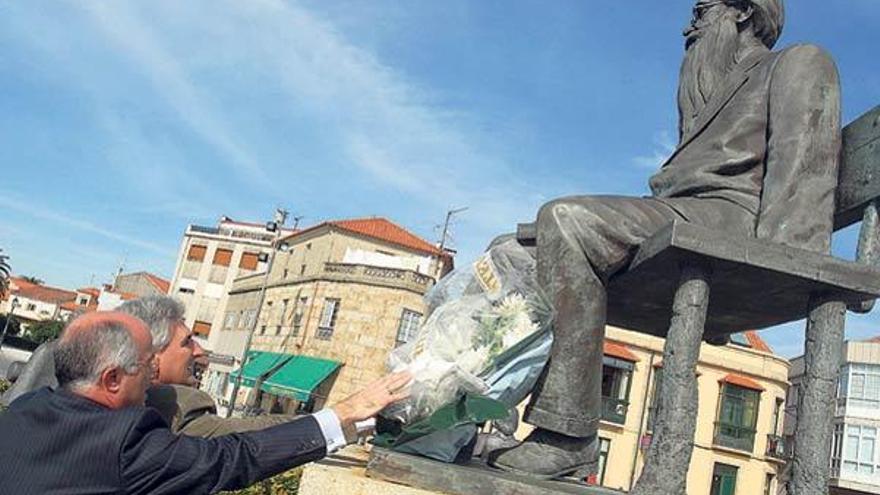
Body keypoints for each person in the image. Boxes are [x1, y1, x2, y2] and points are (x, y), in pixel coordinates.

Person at [490, 0, 841, 478]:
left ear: (739, 11)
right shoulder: (713, 91)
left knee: (567, 220)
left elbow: (805, 180)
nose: (687, 28)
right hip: (679, 217)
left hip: (727, 222)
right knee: (508, 253)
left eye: (700, 13)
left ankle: (567, 435)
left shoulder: (798, 61)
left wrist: (779, 265)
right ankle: (481, 415)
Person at [0, 311, 410, 494]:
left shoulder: (24, 410)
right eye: (146, 366)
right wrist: (342, 415)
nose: (152, 376)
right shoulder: (126, 439)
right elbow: (234, 458)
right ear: (111, 379)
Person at [1, 296, 300, 436]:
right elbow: (245, 441)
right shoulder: (172, 405)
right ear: (149, 358)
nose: (199, 351)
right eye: (186, 343)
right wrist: (335, 419)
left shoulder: (44, 396)